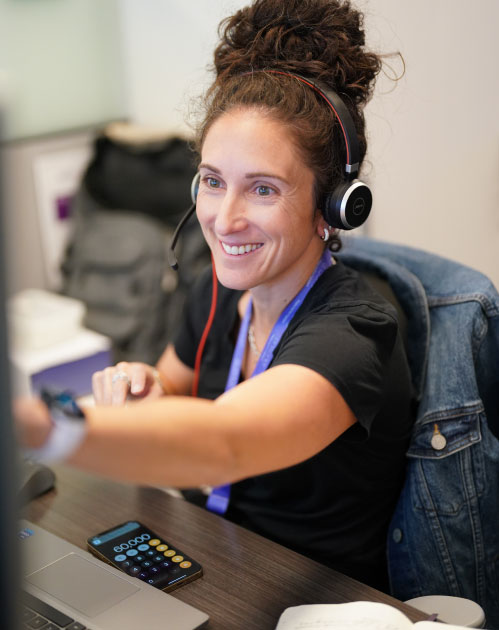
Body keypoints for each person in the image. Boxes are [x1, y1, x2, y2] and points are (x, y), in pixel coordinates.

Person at [15, 0, 414, 592]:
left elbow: (226, 445)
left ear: (333, 207)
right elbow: (176, 382)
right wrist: (144, 385)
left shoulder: (355, 333)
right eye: (213, 181)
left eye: (262, 188)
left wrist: (42, 427)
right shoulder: (223, 291)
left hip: (312, 597)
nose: (224, 220)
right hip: (214, 559)